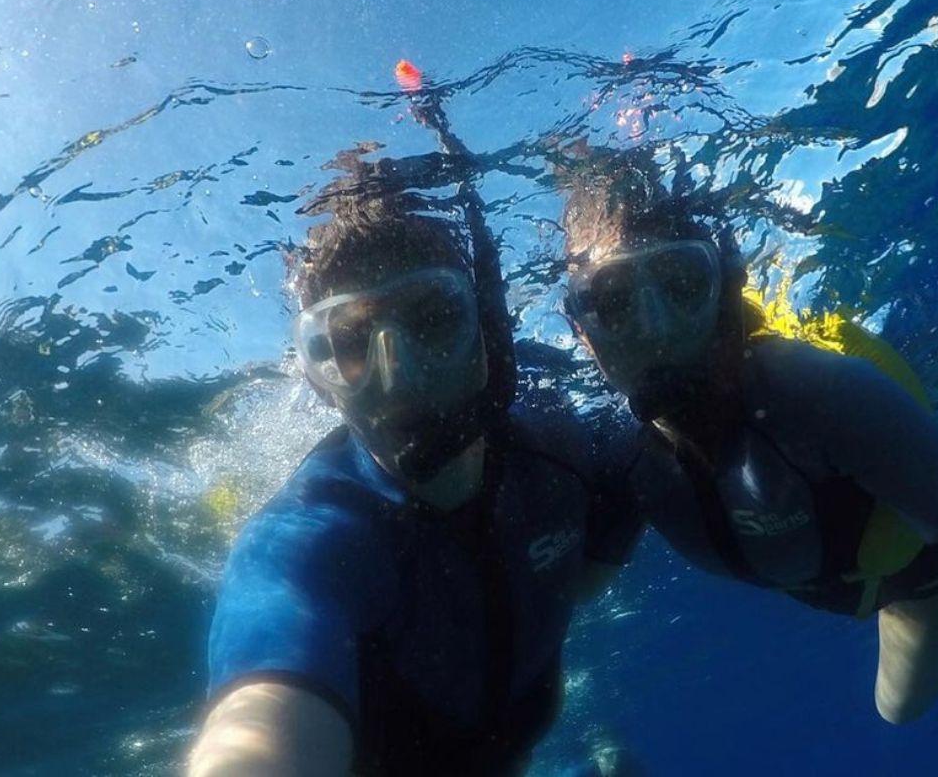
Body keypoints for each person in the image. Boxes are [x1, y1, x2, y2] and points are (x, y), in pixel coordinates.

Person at [559, 154, 938, 775]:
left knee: (898, 705)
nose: (655, 330)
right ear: (581, 328)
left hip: (916, 581)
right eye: (614, 299)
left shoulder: (821, 396)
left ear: (723, 289)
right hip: (832, 578)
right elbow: (564, 595)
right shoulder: (614, 458)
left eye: (681, 284)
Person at [189, 181, 639, 777]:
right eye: (350, 342)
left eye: (432, 318)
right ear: (318, 376)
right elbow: (258, 722)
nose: (398, 374)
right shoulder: (311, 542)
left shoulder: (571, 444)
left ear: (488, 332)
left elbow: (593, 564)